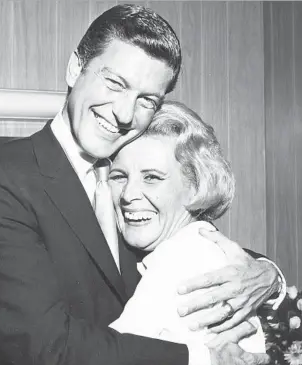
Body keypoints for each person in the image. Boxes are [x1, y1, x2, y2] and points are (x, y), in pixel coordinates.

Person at [0, 4, 283, 365]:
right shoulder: (1, 177)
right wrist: (201, 358)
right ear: (75, 68)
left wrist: (271, 276)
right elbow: (42, 346)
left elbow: (191, 244)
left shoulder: (135, 164)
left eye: (147, 100)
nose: (125, 114)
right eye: (115, 83)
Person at [108, 101, 265, 356]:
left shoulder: (181, 258)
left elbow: (105, 356)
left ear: (196, 187)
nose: (128, 194)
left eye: (152, 177)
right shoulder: (200, 245)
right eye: (119, 177)